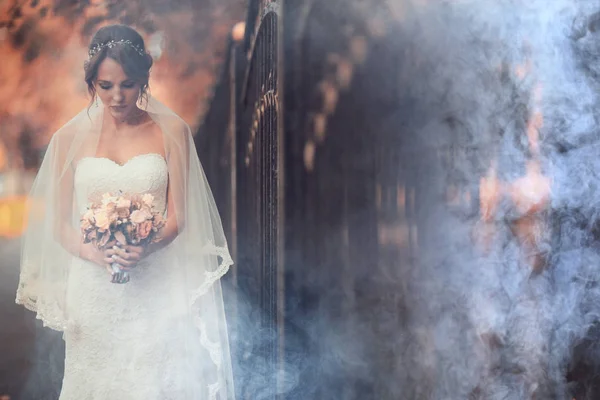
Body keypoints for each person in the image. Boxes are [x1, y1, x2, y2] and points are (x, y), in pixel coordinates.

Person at [15, 24, 235, 399]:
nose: (117, 96)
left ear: (143, 81)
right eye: (106, 86)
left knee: (156, 381)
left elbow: (179, 216)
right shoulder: (67, 140)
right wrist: (95, 253)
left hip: (155, 284)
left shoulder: (172, 132)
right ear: (92, 83)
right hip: (92, 289)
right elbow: (58, 225)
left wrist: (145, 246)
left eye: (128, 84)